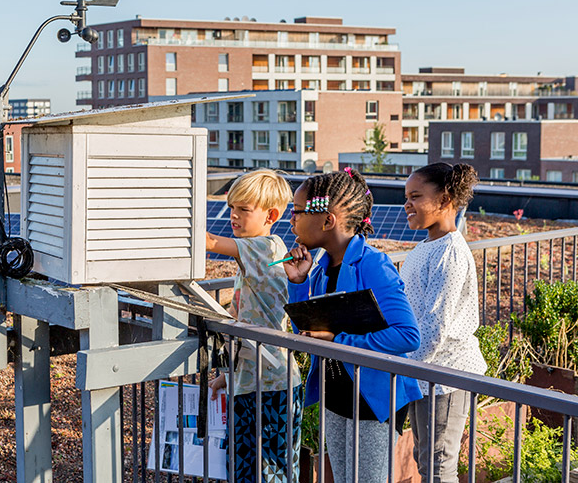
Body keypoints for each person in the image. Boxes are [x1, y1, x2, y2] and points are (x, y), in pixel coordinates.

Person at [283, 168, 422, 483]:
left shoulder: (373, 264)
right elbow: (306, 333)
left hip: (371, 399)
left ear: (328, 220)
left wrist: (338, 340)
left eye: (298, 211)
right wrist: (298, 283)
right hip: (336, 394)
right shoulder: (319, 269)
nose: (291, 219)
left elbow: (407, 335)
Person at [206, 168, 303, 483]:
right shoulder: (260, 253)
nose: (233, 216)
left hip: (271, 382)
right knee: (247, 467)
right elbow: (248, 317)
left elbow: (208, 241)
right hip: (253, 378)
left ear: (271, 215)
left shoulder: (265, 247)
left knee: (270, 470)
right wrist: (225, 376)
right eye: (232, 208)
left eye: (243, 210)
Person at [400, 162, 486, 483]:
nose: (407, 204)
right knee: (426, 459)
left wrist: (403, 371)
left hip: (445, 375)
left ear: (445, 200)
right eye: (406, 197)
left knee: (438, 465)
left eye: (415, 196)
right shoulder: (425, 247)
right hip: (423, 373)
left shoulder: (449, 252)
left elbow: (434, 329)